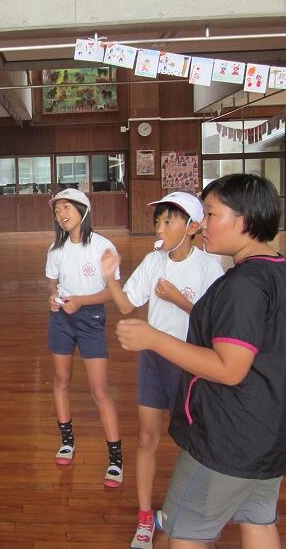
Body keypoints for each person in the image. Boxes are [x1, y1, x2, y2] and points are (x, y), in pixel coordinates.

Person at [116, 174, 286, 549]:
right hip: (274, 434)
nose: (202, 223)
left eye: (211, 214)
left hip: (231, 440)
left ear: (244, 220)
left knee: (182, 534)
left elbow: (229, 369)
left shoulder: (242, 286)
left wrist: (154, 338)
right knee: (258, 523)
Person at [101, 192, 224, 549]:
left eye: (169, 221)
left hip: (190, 362)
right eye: (158, 221)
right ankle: (145, 519)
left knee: (195, 443)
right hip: (153, 360)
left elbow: (215, 324)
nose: (160, 227)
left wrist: (178, 300)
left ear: (192, 227)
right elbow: (127, 305)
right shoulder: (153, 261)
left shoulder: (209, 268)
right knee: (146, 439)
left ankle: (193, 517)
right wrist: (111, 277)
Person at [45, 188, 124, 488]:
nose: (61, 214)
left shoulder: (103, 247)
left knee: (99, 389)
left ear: (83, 210)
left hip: (91, 319)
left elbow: (113, 292)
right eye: (57, 210)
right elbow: (52, 283)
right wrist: (53, 297)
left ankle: (115, 457)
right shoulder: (56, 249)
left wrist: (81, 301)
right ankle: (67, 440)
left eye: (67, 207)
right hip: (61, 319)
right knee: (61, 380)